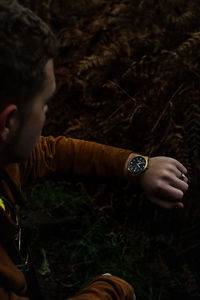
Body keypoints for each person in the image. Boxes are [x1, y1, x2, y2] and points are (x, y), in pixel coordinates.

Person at [0, 1, 189, 299]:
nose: (47, 112)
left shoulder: (5, 156)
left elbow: (51, 153)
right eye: (44, 103)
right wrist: (110, 289)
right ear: (8, 122)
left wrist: (137, 165)